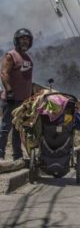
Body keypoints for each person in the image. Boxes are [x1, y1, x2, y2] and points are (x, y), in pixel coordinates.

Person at [0, 28, 34, 160]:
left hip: (23, 101)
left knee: (18, 129)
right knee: (5, 128)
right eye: (22, 39)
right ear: (17, 40)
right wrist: (9, 90)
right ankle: (0, 154)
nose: (25, 41)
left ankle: (17, 156)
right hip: (11, 99)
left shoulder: (27, 58)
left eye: (27, 39)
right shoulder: (11, 55)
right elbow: (4, 73)